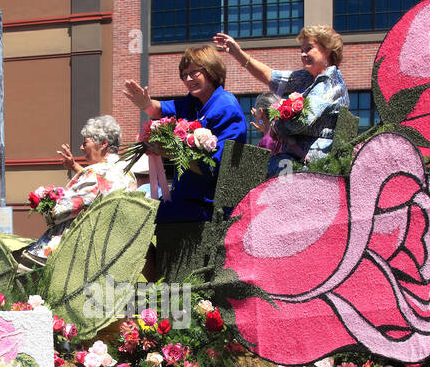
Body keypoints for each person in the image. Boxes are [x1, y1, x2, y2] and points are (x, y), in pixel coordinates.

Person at [122, 45, 248, 226]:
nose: (188, 79)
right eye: (184, 75)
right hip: (186, 198)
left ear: (211, 70)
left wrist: (170, 152)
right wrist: (145, 103)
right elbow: (159, 110)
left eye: (194, 73)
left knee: (137, 217)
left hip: (208, 205)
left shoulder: (226, 108)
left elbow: (213, 169)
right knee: (132, 211)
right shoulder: (193, 102)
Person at [213, 25, 350, 172]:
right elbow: (271, 77)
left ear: (327, 49)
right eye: (301, 50)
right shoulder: (307, 77)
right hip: (294, 162)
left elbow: (300, 122)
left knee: (245, 172)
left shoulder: (329, 82)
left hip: (313, 166)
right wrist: (238, 53)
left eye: (309, 48)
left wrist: (274, 125)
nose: (303, 54)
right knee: (244, 171)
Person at [22, 115, 140, 266]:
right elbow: (98, 189)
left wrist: (44, 201)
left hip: (81, 247)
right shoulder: (128, 172)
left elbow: (60, 212)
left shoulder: (95, 172)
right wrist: (75, 167)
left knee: (18, 262)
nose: (82, 148)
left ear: (103, 144)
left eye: (86, 143)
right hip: (115, 241)